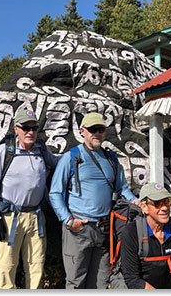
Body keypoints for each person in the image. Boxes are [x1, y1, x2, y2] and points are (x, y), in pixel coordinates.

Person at [49, 112, 139, 289]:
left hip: (104, 229)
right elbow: (55, 193)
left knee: (100, 282)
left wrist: (135, 201)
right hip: (79, 229)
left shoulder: (111, 159)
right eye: (92, 129)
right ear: (82, 131)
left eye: (101, 129)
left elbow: (122, 188)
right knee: (75, 281)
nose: (97, 133)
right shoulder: (71, 157)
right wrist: (68, 220)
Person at [0, 108, 57, 289]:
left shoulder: (41, 149)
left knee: (36, 267)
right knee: (5, 267)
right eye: (25, 128)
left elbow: (57, 163)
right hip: (10, 217)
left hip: (36, 216)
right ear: (16, 128)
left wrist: (77, 155)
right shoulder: (5, 150)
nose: (30, 132)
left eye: (34, 128)